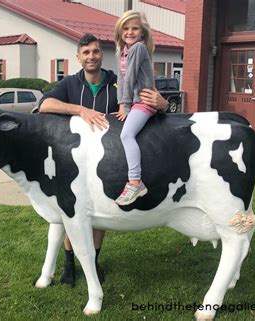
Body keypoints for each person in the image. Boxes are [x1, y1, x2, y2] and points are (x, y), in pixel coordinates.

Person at [39, 33, 168, 287]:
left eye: (96, 52)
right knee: (70, 215)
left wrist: (162, 103)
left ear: (102, 55)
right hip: (74, 162)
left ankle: (93, 262)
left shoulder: (117, 81)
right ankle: (68, 264)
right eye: (86, 53)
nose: (91, 57)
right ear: (78, 57)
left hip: (108, 161)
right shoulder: (71, 84)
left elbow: (148, 98)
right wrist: (81, 110)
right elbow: (45, 105)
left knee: (98, 215)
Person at [113, 11, 158, 206]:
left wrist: (128, 105)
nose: (130, 32)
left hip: (144, 100)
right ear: (120, 31)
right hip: (134, 101)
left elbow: (130, 77)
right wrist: (121, 105)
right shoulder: (123, 51)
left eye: (135, 28)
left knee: (126, 135)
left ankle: (135, 183)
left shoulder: (138, 48)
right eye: (126, 28)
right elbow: (121, 79)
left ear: (142, 32)